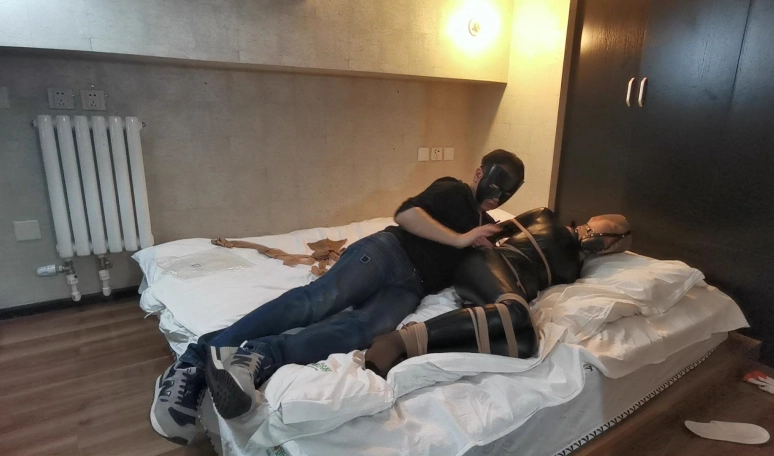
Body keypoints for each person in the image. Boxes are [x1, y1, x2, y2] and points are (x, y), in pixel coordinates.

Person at [150, 149, 525, 445]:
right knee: (318, 301)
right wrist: (461, 238)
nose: (498, 198)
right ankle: (195, 359)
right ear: (479, 174)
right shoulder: (454, 191)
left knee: (361, 330)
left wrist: (485, 249)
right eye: (495, 187)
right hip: (387, 252)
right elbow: (406, 215)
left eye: (507, 194)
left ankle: (257, 357)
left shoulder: (486, 230)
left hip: (411, 287)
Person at [364, 209, 631, 377]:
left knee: (527, 344)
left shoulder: (575, 269)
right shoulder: (544, 217)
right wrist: (478, 241)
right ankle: (396, 341)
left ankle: (415, 350)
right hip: (484, 266)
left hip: (505, 293)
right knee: (516, 312)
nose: (609, 242)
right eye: (611, 230)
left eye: (614, 246)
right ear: (595, 219)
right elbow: (492, 231)